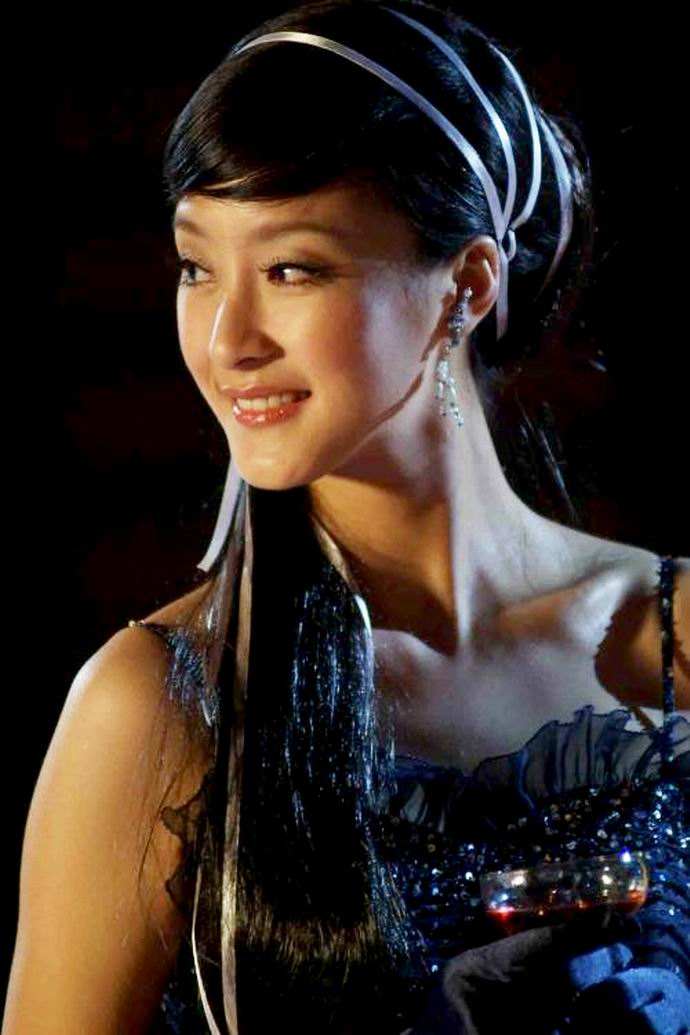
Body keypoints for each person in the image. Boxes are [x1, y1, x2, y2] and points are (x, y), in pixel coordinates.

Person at [4, 1, 689, 1033]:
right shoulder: (162, 702)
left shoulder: (674, 635)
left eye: (292, 268)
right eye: (197, 267)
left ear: (465, 285)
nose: (227, 340)